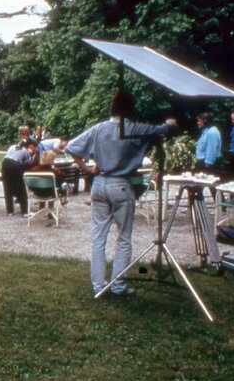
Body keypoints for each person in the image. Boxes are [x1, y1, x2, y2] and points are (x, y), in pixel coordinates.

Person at [65, 90, 176, 297]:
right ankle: (118, 286)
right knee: (123, 238)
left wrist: (88, 170)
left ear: (112, 107)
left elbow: (71, 147)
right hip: (121, 185)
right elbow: (163, 130)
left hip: (99, 184)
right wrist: (170, 122)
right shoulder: (134, 128)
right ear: (130, 108)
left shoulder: (98, 129)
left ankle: (99, 286)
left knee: (98, 239)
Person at [1, 140, 37, 216]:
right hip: (15, 165)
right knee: (21, 188)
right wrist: (31, 154)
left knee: (7, 188)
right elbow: (29, 163)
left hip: (5, 164)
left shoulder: (12, 147)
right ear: (26, 146)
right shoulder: (25, 151)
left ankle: (10, 211)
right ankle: (25, 211)